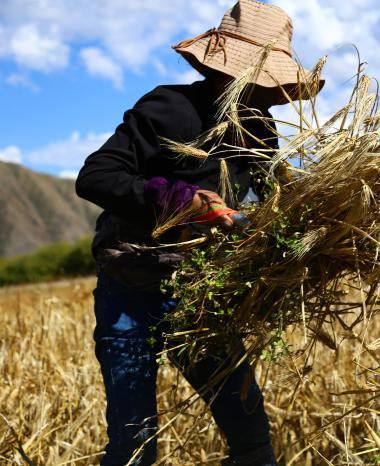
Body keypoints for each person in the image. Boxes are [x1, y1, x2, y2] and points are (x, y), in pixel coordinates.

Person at [75, 1, 323, 465]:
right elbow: (94, 177)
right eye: (261, 82)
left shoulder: (260, 128)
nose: (269, 95)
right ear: (227, 71)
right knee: (134, 445)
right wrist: (177, 199)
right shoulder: (170, 107)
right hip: (133, 287)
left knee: (252, 440)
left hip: (201, 293)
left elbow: (271, 199)